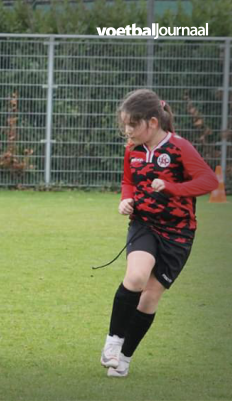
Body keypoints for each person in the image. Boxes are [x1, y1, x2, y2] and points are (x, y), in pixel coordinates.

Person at [100, 89, 218, 377]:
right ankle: (113, 343)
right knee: (136, 276)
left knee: (149, 298)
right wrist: (124, 200)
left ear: (152, 122)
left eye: (132, 125)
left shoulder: (179, 147)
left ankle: (124, 359)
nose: (127, 131)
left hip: (178, 233)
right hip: (144, 225)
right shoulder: (133, 149)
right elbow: (128, 181)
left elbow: (209, 181)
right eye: (125, 124)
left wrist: (173, 188)